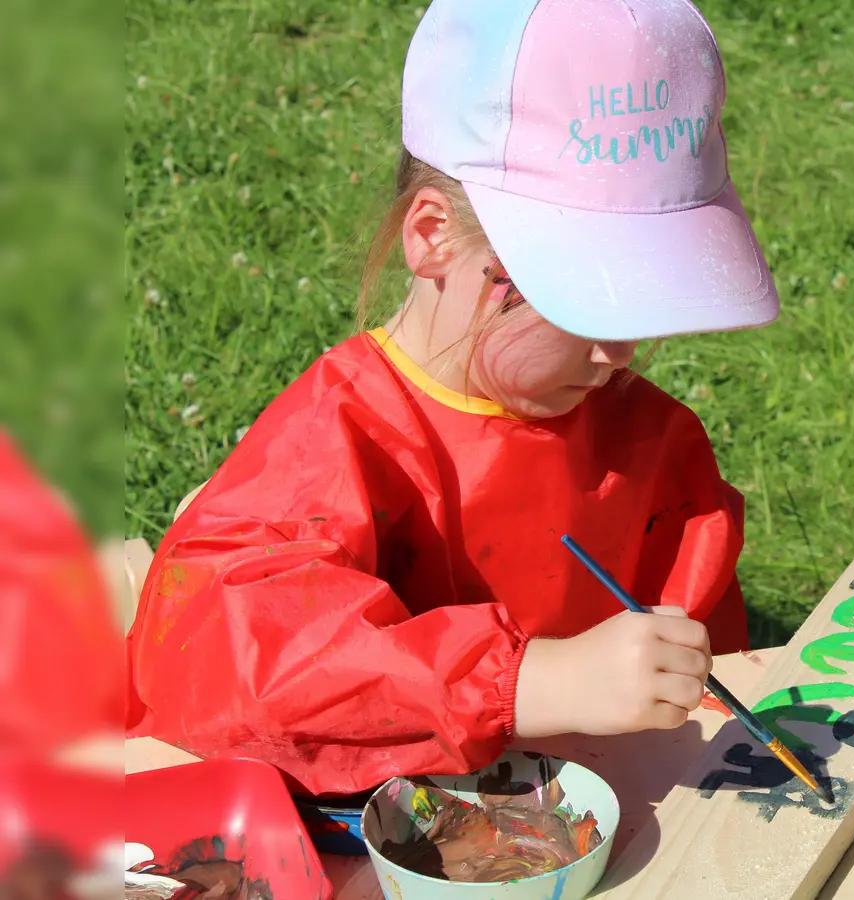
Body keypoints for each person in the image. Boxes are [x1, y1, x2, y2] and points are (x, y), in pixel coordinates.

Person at [125, 0, 780, 797]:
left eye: (640, 302)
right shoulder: (340, 438)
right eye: (581, 299)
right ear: (433, 237)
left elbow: (715, 666)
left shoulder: (648, 441)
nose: (619, 354)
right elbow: (232, 657)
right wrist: (525, 683)